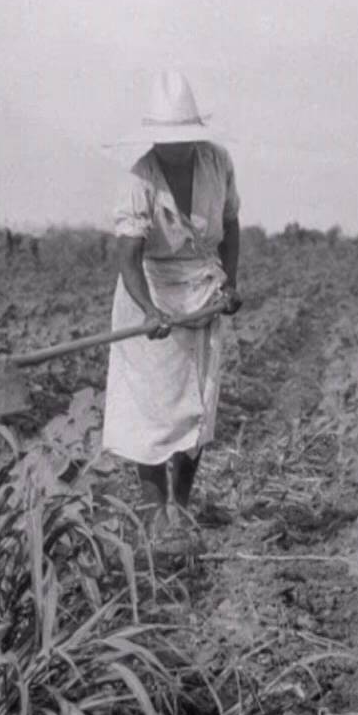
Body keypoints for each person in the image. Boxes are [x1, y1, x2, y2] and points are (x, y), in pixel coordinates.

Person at [99, 69, 243, 549]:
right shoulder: (140, 177)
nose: (175, 148)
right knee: (150, 411)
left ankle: (179, 508)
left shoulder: (217, 163)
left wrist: (230, 283)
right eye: (167, 141)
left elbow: (231, 225)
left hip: (201, 294)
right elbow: (128, 255)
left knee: (195, 408)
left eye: (182, 140)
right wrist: (148, 311)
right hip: (151, 292)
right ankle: (152, 514)